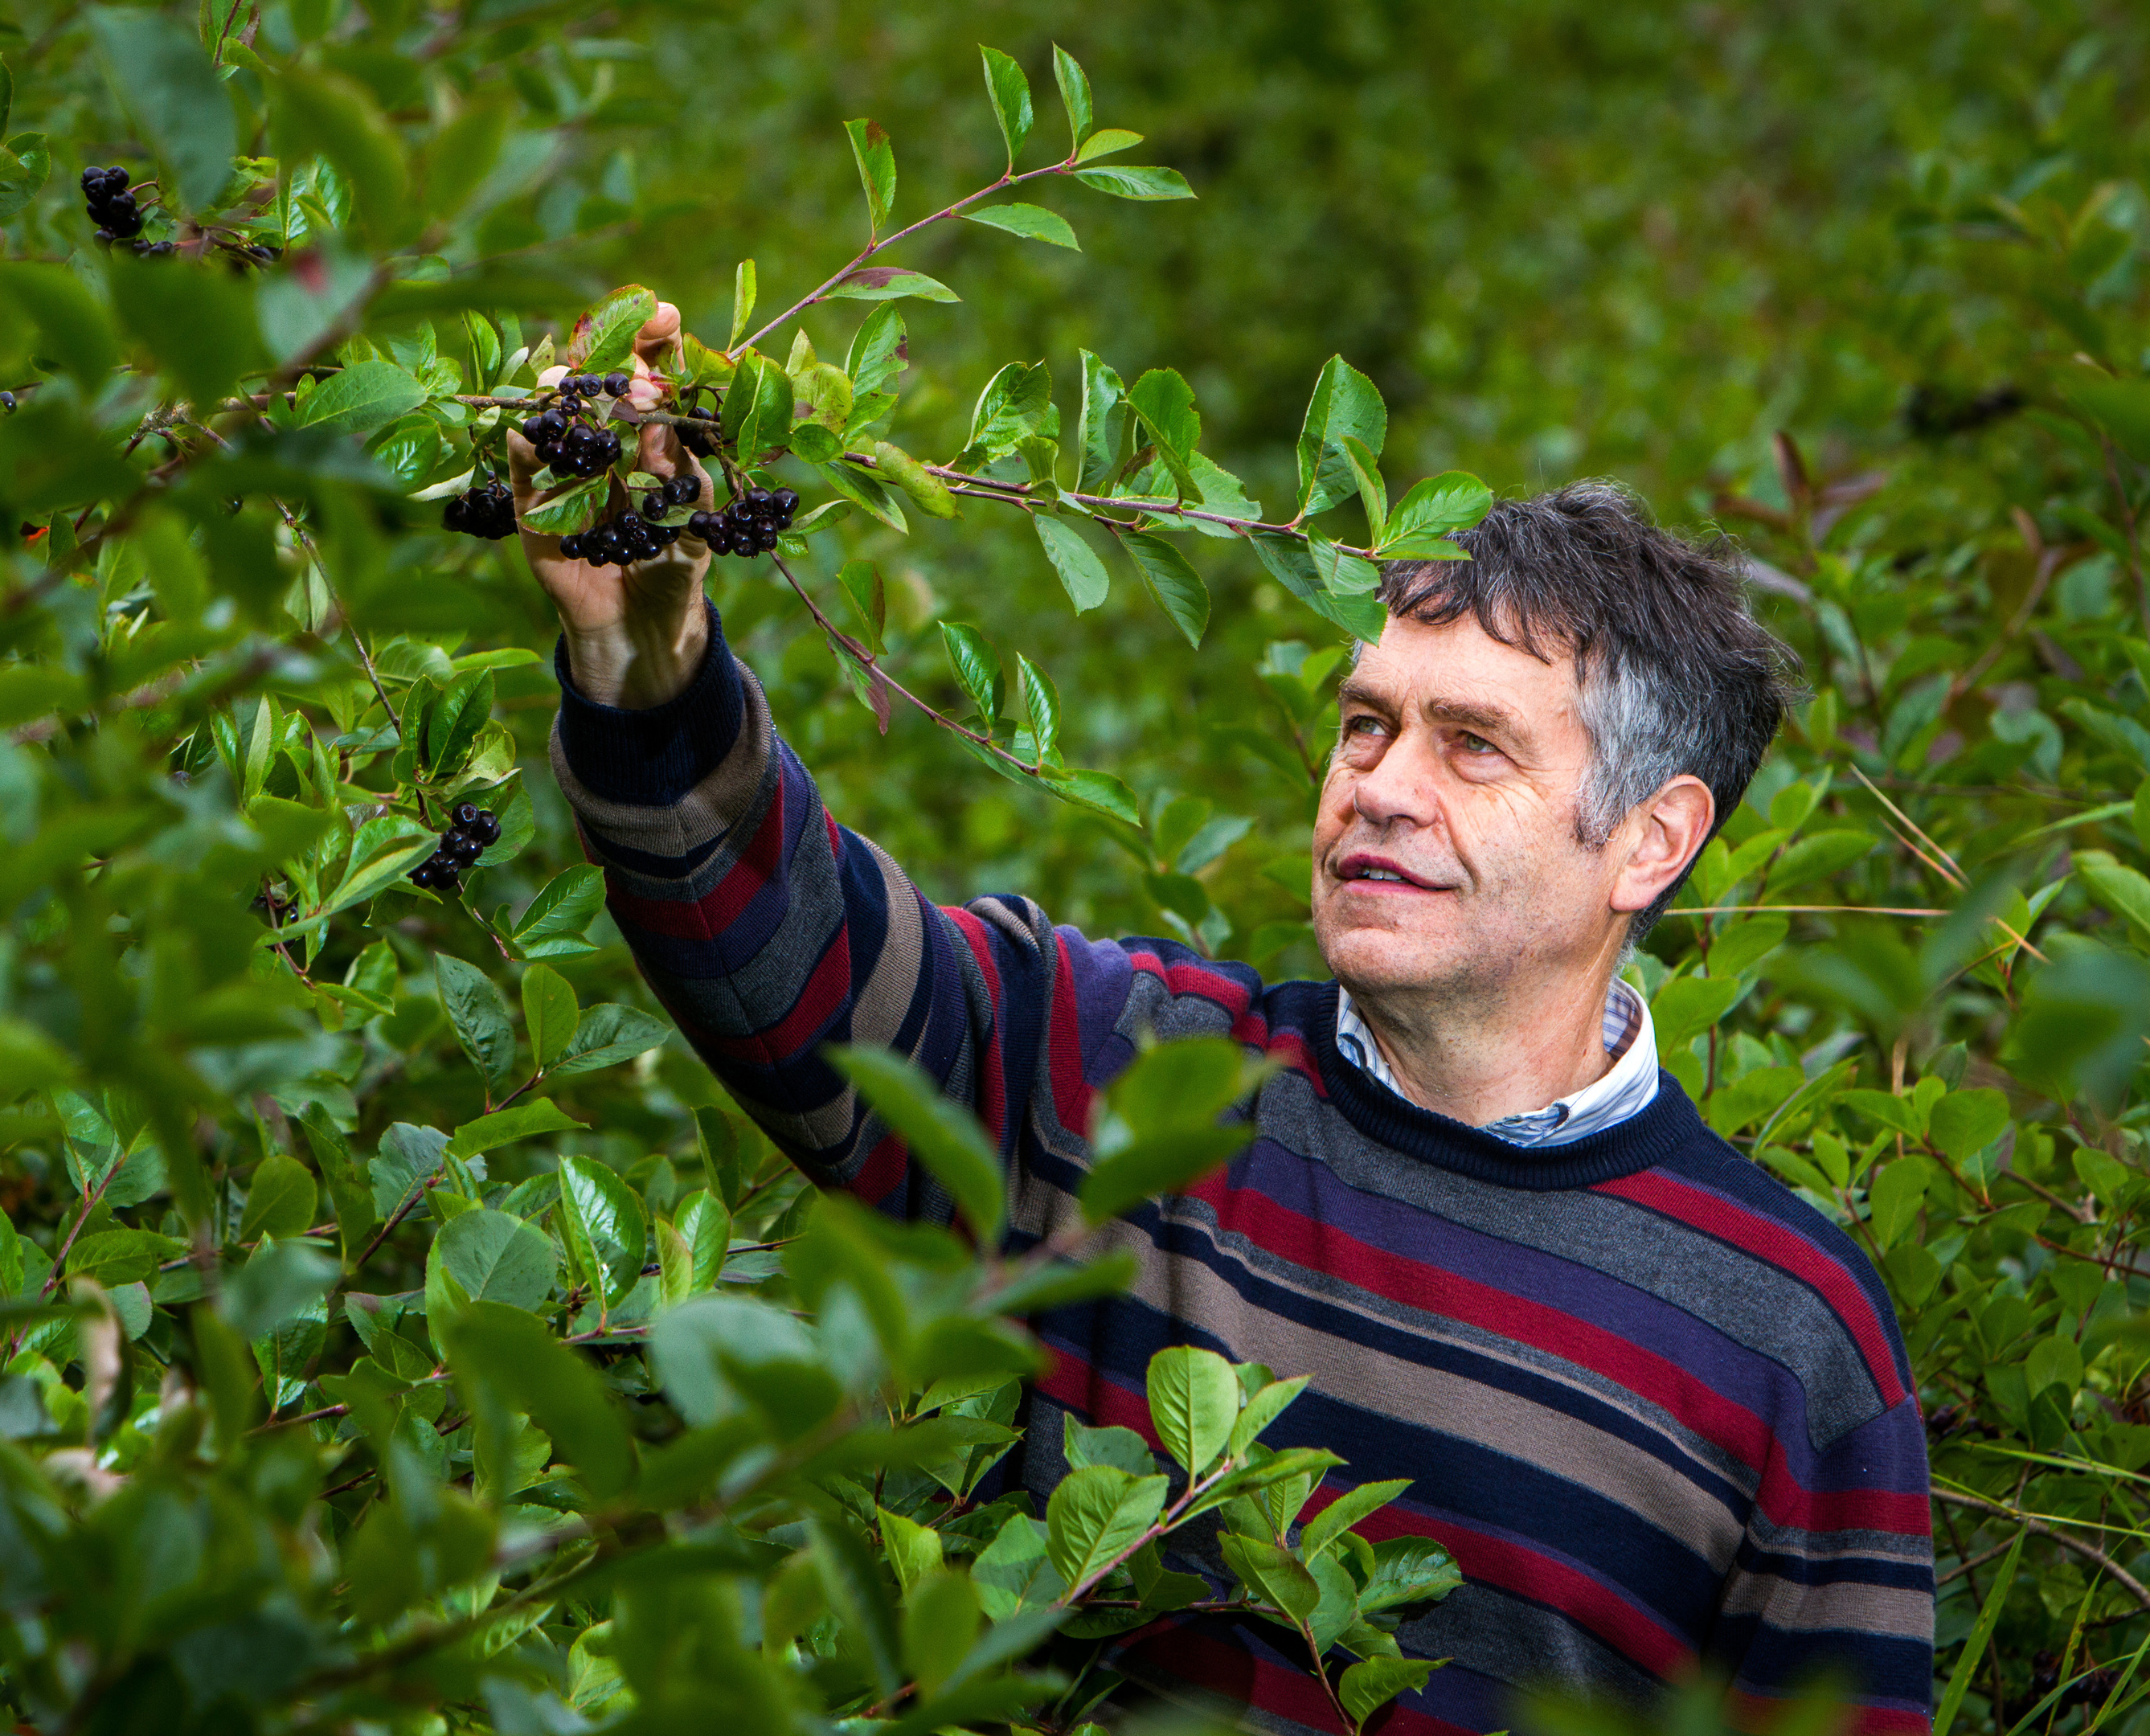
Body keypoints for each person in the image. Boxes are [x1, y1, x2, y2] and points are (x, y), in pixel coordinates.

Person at [518, 305, 1934, 1734]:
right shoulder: (1132, 1072)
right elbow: (795, 964)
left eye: (1474, 746)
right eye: (1366, 723)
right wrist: (650, 659)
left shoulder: (1786, 1332)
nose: (1380, 784)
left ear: (1651, 840)